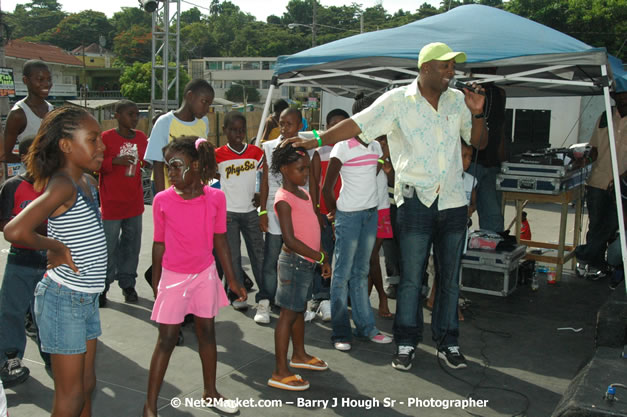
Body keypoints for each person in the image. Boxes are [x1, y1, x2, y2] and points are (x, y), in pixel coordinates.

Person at [284, 42, 487, 370]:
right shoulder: (397, 101)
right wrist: (319, 140)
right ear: (425, 68)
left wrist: (477, 113)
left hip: (452, 202)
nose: (452, 71)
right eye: (446, 66)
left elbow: (479, 142)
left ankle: (449, 341)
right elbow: (358, 124)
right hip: (415, 202)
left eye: (454, 66)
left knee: (449, 278)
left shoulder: (457, 102)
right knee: (410, 278)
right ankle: (406, 342)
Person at [4, 106, 107, 417]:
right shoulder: (62, 184)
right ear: (65, 145)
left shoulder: (87, 181)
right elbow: (15, 229)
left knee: (87, 384)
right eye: (93, 139)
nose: (102, 146)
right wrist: (56, 247)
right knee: (71, 395)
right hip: (64, 300)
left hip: (85, 297)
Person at [143, 136, 246, 416]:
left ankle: (210, 392)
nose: (171, 173)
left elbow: (221, 240)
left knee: (207, 333)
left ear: (197, 165)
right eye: (168, 168)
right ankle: (150, 406)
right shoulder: (163, 200)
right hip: (174, 277)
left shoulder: (216, 198)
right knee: (166, 339)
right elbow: (159, 243)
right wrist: (157, 282)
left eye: (177, 166)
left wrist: (233, 280)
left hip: (205, 275)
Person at [322, 94, 393, 352]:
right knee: (341, 276)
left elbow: (372, 174)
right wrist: (335, 214)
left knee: (361, 273)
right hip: (349, 217)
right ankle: (341, 333)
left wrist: (384, 156)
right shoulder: (342, 146)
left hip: (370, 215)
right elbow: (327, 188)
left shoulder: (375, 146)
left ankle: (366, 328)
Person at [267, 143, 331, 391]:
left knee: (298, 309)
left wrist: (320, 256)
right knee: (287, 314)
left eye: (306, 169)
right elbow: (291, 240)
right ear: (284, 169)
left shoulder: (304, 194)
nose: (305, 175)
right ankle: (279, 370)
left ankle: (299, 355)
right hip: (294, 263)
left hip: (306, 262)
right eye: (300, 169)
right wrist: (321, 258)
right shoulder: (283, 199)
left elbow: (311, 229)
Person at [0, 137, 49, 388]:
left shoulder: (57, 186)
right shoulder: (13, 186)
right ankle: (10, 359)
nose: (42, 161)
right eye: (36, 155)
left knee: (47, 314)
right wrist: (27, 227)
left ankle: (53, 355)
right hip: (21, 260)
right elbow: (3, 223)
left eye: (46, 155)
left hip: (51, 263)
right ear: (23, 158)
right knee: (11, 311)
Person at [255, 108, 303, 324]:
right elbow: (264, 182)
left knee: (298, 259)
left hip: (299, 210)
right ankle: (265, 300)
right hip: (275, 209)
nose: (284, 128)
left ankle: (295, 301)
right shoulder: (269, 147)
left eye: (289, 124)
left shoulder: (306, 147)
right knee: (271, 259)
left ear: (300, 125)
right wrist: (263, 211)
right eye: (281, 124)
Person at [99, 100, 148, 306]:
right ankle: (103, 286)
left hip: (134, 202)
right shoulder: (106, 138)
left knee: (131, 246)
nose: (135, 118)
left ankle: (128, 283)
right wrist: (114, 161)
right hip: (111, 203)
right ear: (117, 115)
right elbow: (94, 163)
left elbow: (146, 161)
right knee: (108, 247)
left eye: (137, 114)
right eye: (130, 114)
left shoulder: (141, 138)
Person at [215, 111, 264, 311]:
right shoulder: (217, 155)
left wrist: (260, 194)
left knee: (258, 254)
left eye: (242, 130)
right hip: (228, 215)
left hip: (251, 211)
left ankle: (266, 294)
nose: (238, 133)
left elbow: (263, 177)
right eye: (233, 130)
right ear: (224, 130)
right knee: (233, 256)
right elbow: (212, 182)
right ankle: (237, 294)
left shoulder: (255, 153)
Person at [575, 91, 627, 278]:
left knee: (612, 224)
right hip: (598, 180)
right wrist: (585, 159)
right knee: (596, 225)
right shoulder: (605, 116)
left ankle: (583, 254)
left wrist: (622, 177)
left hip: (623, 185)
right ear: (612, 95)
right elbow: (595, 148)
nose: (622, 97)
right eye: (619, 94)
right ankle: (597, 266)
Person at [307, 108, 349, 322]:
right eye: (333, 124)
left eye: (342, 123)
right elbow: (314, 181)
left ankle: (340, 297)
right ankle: (321, 297)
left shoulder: (352, 148)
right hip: (323, 212)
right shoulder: (320, 150)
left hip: (345, 211)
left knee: (342, 255)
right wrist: (315, 209)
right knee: (323, 253)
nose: (337, 128)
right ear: (327, 126)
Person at [144, 79, 212, 194]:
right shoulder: (164, 122)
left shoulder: (204, 122)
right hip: (170, 191)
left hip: (195, 192)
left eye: (209, 104)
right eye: (204, 102)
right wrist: (163, 198)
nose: (206, 109)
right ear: (190, 96)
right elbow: (157, 164)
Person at [468, 67, 507, 233]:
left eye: (495, 67)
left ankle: (491, 251)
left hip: (492, 162)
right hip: (468, 162)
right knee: (460, 212)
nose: (492, 69)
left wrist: (502, 155)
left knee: (493, 216)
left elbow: (501, 126)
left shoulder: (500, 93)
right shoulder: (463, 92)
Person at [3, 60, 53, 168]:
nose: (46, 84)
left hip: (51, 176)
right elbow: (4, 155)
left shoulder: (51, 108)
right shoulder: (18, 114)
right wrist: (31, 159)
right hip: (31, 179)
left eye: (49, 79)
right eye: (40, 79)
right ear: (25, 80)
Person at [369, 135, 394, 319]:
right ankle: (370, 295)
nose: (382, 143)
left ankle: (381, 297)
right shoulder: (365, 147)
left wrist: (389, 168)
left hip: (382, 207)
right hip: (362, 206)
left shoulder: (392, 150)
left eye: (384, 139)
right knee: (370, 257)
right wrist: (383, 155)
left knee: (371, 255)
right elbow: (369, 173)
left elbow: (394, 180)